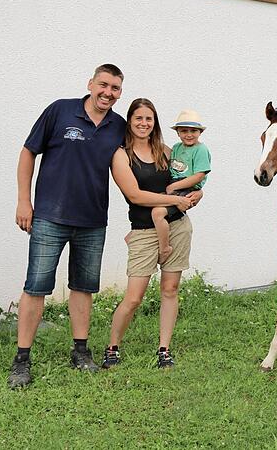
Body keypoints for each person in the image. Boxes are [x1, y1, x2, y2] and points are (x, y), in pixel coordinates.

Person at [9, 64, 127, 388]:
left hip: (92, 221)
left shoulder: (119, 127)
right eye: (104, 85)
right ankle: (21, 360)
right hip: (49, 216)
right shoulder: (60, 111)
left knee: (84, 287)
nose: (108, 92)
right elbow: (28, 153)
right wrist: (24, 200)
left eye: (115, 88)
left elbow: (141, 162)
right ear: (91, 83)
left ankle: (80, 352)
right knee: (36, 287)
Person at [102, 99, 201, 369]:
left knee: (170, 289)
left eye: (149, 119)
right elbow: (134, 195)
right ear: (130, 122)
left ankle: (164, 350)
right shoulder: (121, 155)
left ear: (154, 122)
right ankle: (112, 348)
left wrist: (196, 194)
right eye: (138, 119)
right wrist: (173, 201)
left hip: (177, 227)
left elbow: (188, 180)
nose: (144, 124)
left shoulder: (165, 151)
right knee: (134, 297)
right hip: (145, 232)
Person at [150, 109, 211, 264]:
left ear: (200, 132)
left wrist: (174, 187)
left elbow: (199, 175)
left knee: (157, 213)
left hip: (187, 187)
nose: (189, 134)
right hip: (174, 184)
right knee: (149, 205)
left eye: (193, 131)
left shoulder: (200, 150)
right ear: (177, 132)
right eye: (184, 131)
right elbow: (168, 153)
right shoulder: (177, 147)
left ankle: (165, 248)